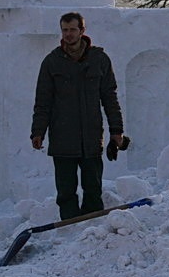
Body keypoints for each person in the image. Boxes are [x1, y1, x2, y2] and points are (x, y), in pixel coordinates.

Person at [31, 12, 125, 219]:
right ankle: (69, 229)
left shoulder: (99, 59)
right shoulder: (52, 62)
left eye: (73, 29)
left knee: (92, 188)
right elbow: (43, 101)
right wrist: (38, 131)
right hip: (62, 137)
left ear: (82, 31)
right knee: (65, 191)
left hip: (91, 137)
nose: (68, 34)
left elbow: (110, 98)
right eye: (65, 30)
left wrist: (116, 131)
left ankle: (91, 232)